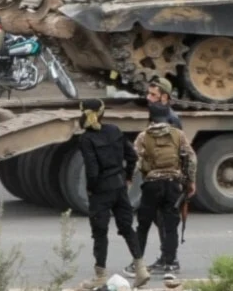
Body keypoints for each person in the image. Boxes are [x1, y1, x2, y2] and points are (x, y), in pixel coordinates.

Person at [74, 99, 149, 289]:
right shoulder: (114, 130)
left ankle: (100, 276)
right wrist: (128, 177)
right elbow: (132, 156)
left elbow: (92, 170)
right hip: (119, 187)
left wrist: (91, 188)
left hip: (101, 191)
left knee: (100, 232)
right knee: (126, 227)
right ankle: (141, 269)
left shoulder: (85, 139)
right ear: (102, 113)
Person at [133, 96, 198, 277]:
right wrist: (191, 182)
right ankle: (170, 265)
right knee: (170, 225)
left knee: (143, 225)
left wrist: (128, 181)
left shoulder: (143, 136)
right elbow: (191, 158)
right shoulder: (178, 134)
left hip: (152, 185)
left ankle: (137, 264)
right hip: (172, 185)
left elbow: (135, 161)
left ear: (151, 117)